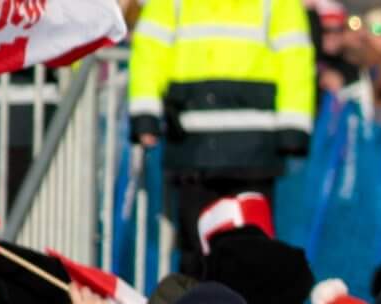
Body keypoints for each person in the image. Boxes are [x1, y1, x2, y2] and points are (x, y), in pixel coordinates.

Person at [129, 0, 315, 261]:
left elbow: (295, 60)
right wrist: (145, 115)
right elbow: (149, 53)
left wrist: (145, 117)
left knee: (240, 253)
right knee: (214, 251)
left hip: (225, 148)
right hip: (211, 148)